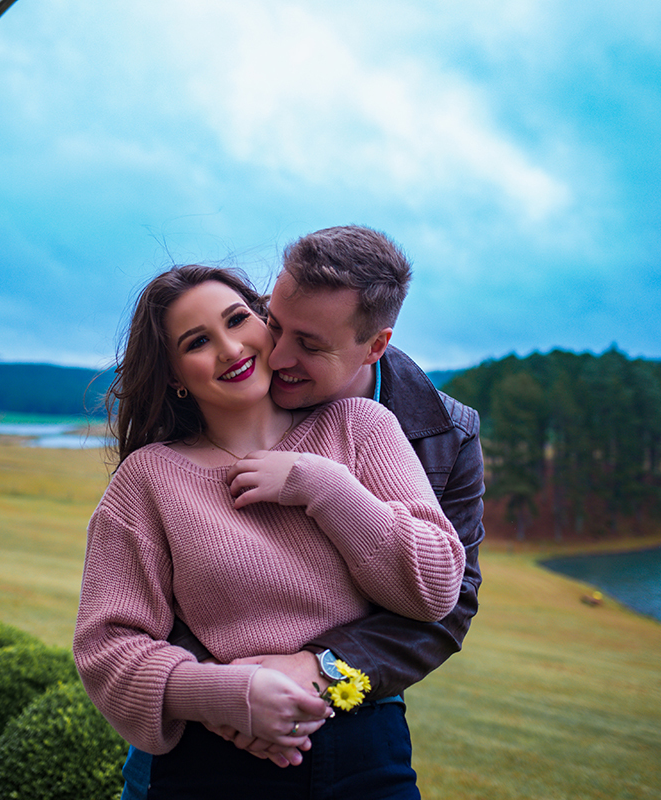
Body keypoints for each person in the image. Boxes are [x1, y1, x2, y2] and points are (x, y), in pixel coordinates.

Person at [74, 264, 465, 798]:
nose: (231, 349)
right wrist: (221, 694)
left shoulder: (360, 427)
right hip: (211, 762)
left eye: (238, 320)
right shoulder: (147, 480)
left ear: (265, 321)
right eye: (197, 342)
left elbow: (435, 587)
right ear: (172, 375)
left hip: (365, 751)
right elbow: (106, 646)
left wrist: (325, 487)